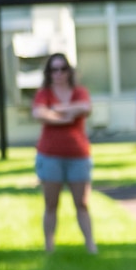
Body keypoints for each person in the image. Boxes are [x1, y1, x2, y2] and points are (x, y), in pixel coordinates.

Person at [31, 53, 96, 254]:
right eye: (54, 69)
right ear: (49, 73)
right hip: (50, 155)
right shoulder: (44, 93)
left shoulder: (80, 92)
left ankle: (91, 246)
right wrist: (66, 117)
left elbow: (85, 107)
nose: (58, 73)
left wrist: (56, 109)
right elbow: (39, 113)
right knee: (51, 204)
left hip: (78, 156)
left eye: (62, 69)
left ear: (69, 71)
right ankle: (49, 247)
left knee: (82, 203)